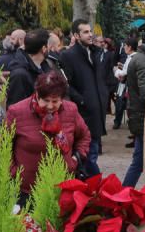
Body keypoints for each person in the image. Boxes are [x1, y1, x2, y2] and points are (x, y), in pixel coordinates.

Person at [5, 70, 89, 207]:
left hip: (62, 186)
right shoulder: (16, 112)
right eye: (46, 101)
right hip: (27, 190)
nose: (50, 106)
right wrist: (14, 172)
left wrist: (76, 158)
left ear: (62, 98)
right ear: (37, 95)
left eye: (55, 101)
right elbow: (4, 145)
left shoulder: (71, 110)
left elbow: (84, 136)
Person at [60, 19, 110, 177]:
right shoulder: (68, 55)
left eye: (90, 31)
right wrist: (82, 100)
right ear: (76, 35)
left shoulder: (95, 52)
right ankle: (93, 186)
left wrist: (104, 94)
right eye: (86, 32)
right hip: (83, 114)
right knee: (88, 157)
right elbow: (66, 84)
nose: (90, 35)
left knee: (92, 154)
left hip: (97, 111)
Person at [122, 30, 145, 187]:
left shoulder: (142, 58)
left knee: (141, 158)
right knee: (140, 160)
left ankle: (125, 191)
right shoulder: (144, 61)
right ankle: (124, 192)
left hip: (143, 116)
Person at [5, 29, 52, 106]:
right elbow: (15, 108)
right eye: (49, 45)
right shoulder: (20, 74)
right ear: (44, 49)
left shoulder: (44, 65)